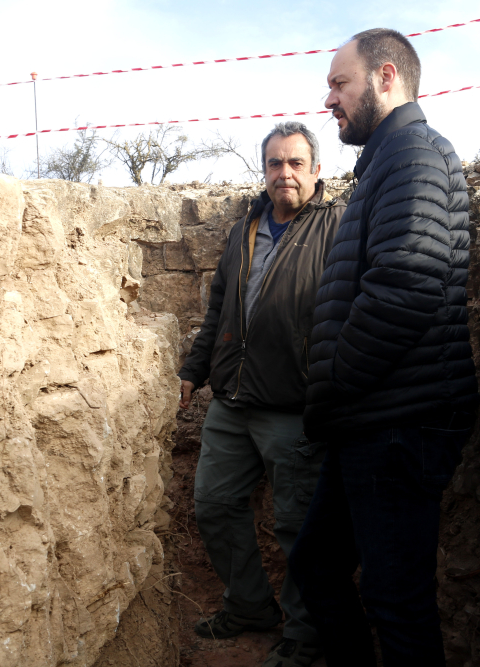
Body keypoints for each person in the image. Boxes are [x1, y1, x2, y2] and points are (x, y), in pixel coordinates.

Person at [288, 28, 479, 666]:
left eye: (340, 83)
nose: (330, 100)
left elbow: (406, 287)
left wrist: (335, 385)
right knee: (317, 565)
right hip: (373, 418)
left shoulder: (415, 155)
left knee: (398, 603)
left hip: (397, 423)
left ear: (386, 77)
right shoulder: (388, 162)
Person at [178, 121, 346, 667]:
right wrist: (195, 369)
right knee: (214, 503)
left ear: (316, 171)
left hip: (294, 406)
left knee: (299, 526)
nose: (285, 173)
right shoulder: (246, 226)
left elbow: (349, 315)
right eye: (275, 163)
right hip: (232, 398)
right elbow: (219, 307)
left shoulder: (337, 227)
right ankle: (249, 605)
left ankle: (305, 634)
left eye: (296, 163)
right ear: (265, 171)